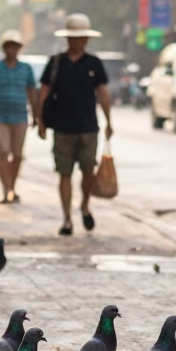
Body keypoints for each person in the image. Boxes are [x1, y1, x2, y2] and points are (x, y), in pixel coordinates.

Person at [36, 13, 113, 237]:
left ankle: (85, 205)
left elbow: (103, 94)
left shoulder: (94, 63)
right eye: (73, 37)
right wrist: (39, 120)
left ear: (87, 39)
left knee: (89, 172)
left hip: (89, 127)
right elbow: (43, 93)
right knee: (64, 174)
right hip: (62, 128)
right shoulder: (56, 63)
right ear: (67, 39)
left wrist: (109, 121)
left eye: (80, 38)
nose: (77, 41)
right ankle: (67, 219)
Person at [0, 30, 38, 204]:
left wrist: (36, 115)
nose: (12, 50)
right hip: (0, 116)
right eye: (9, 47)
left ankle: (12, 187)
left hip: (20, 116)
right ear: (5, 48)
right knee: (3, 152)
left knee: (17, 155)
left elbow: (31, 91)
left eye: (15, 47)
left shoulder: (26, 69)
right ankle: (6, 189)